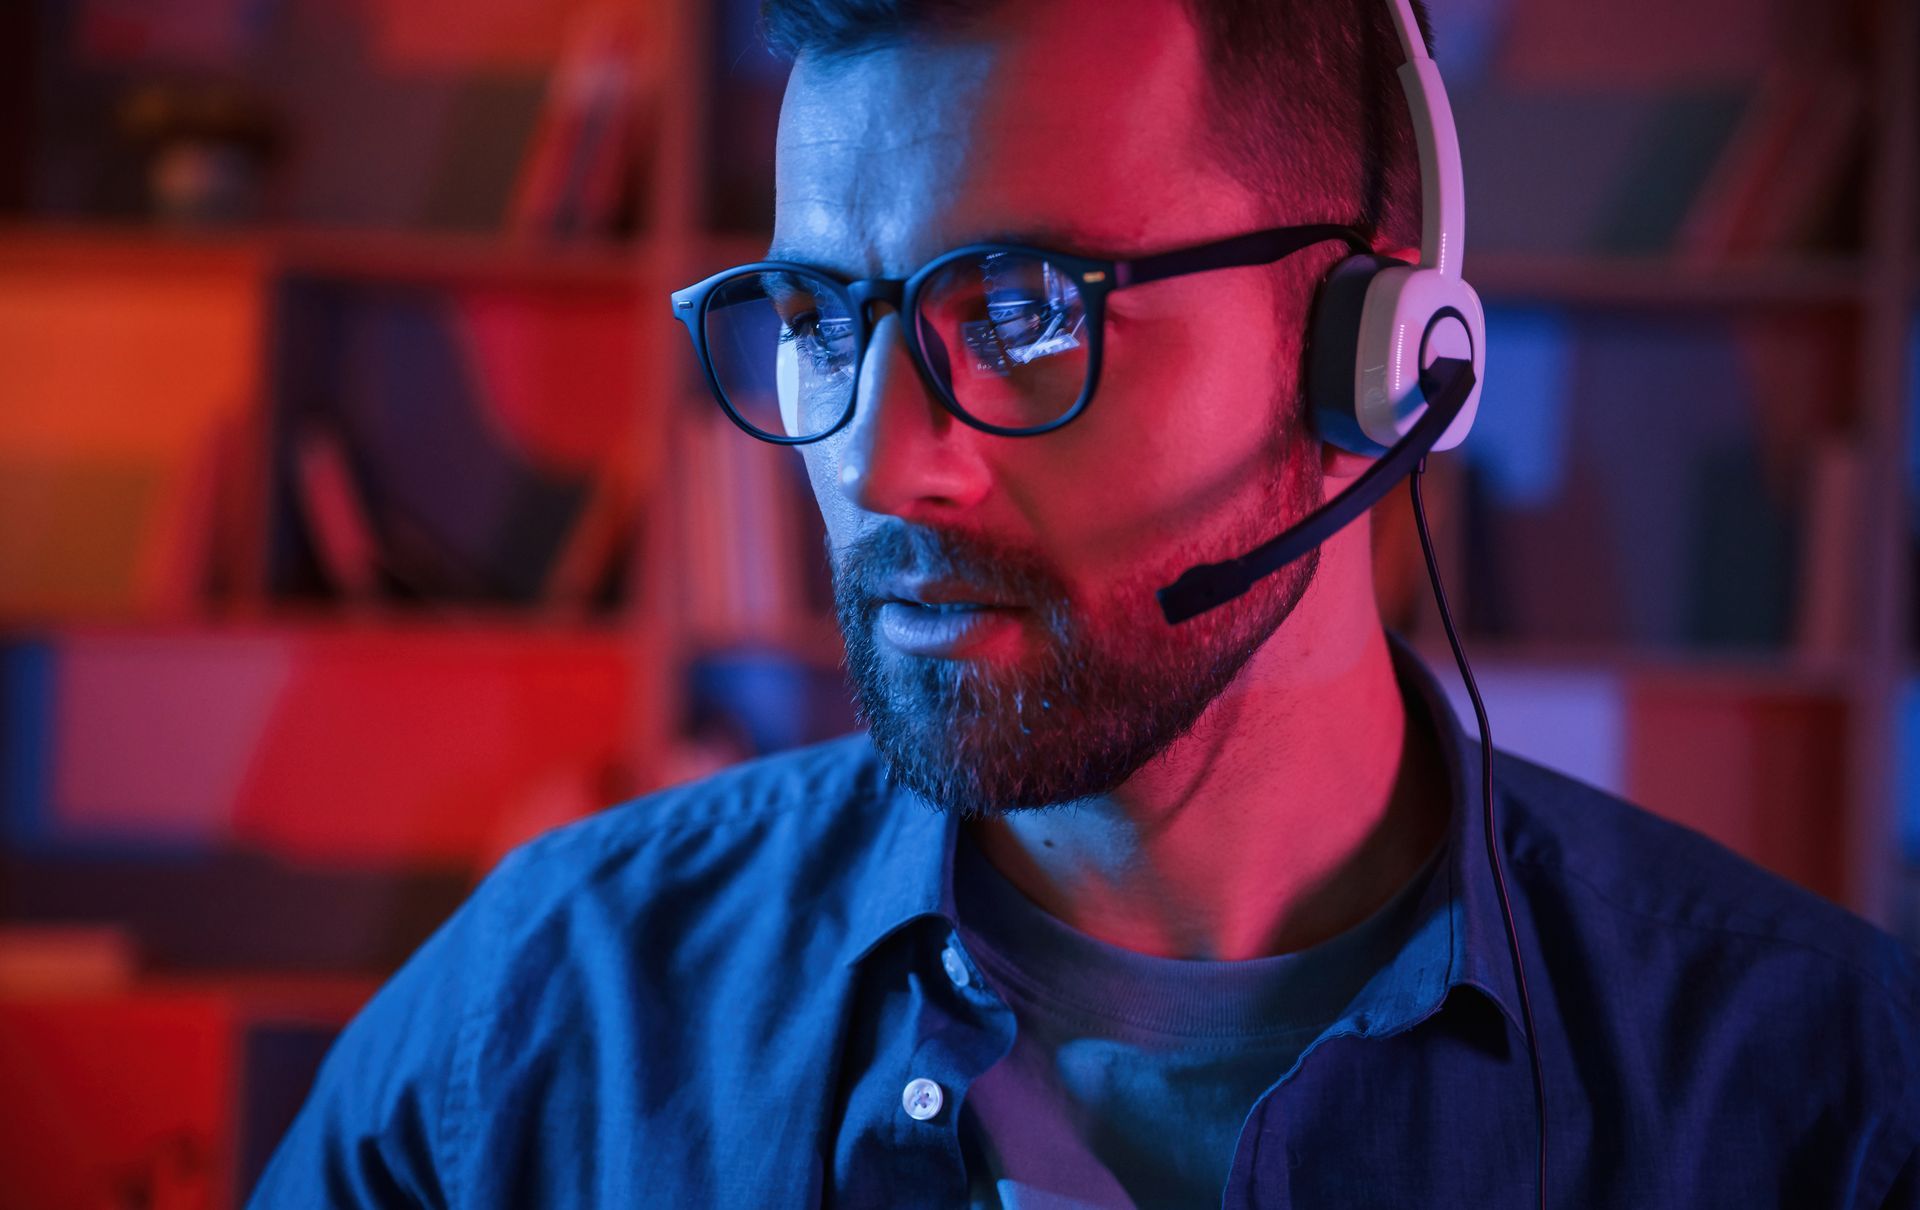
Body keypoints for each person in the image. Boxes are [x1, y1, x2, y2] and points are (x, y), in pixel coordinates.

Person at [251, 0, 1920, 1206]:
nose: (885, 463)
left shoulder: (1824, 1106)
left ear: (1371, 344)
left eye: (1030, 310)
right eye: (822, 320)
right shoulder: (548, 1026)